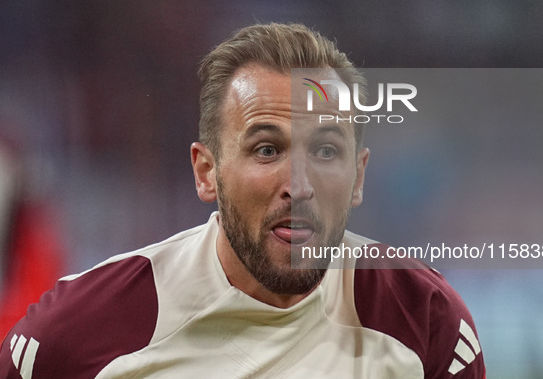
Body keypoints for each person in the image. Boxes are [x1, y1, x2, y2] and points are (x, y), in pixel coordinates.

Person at [0, 23, 485, 378]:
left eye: (326, 151)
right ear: (206, 172)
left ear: (358, 178)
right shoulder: (82, 330)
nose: (300, 184)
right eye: (267, 149)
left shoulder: (426, 320)